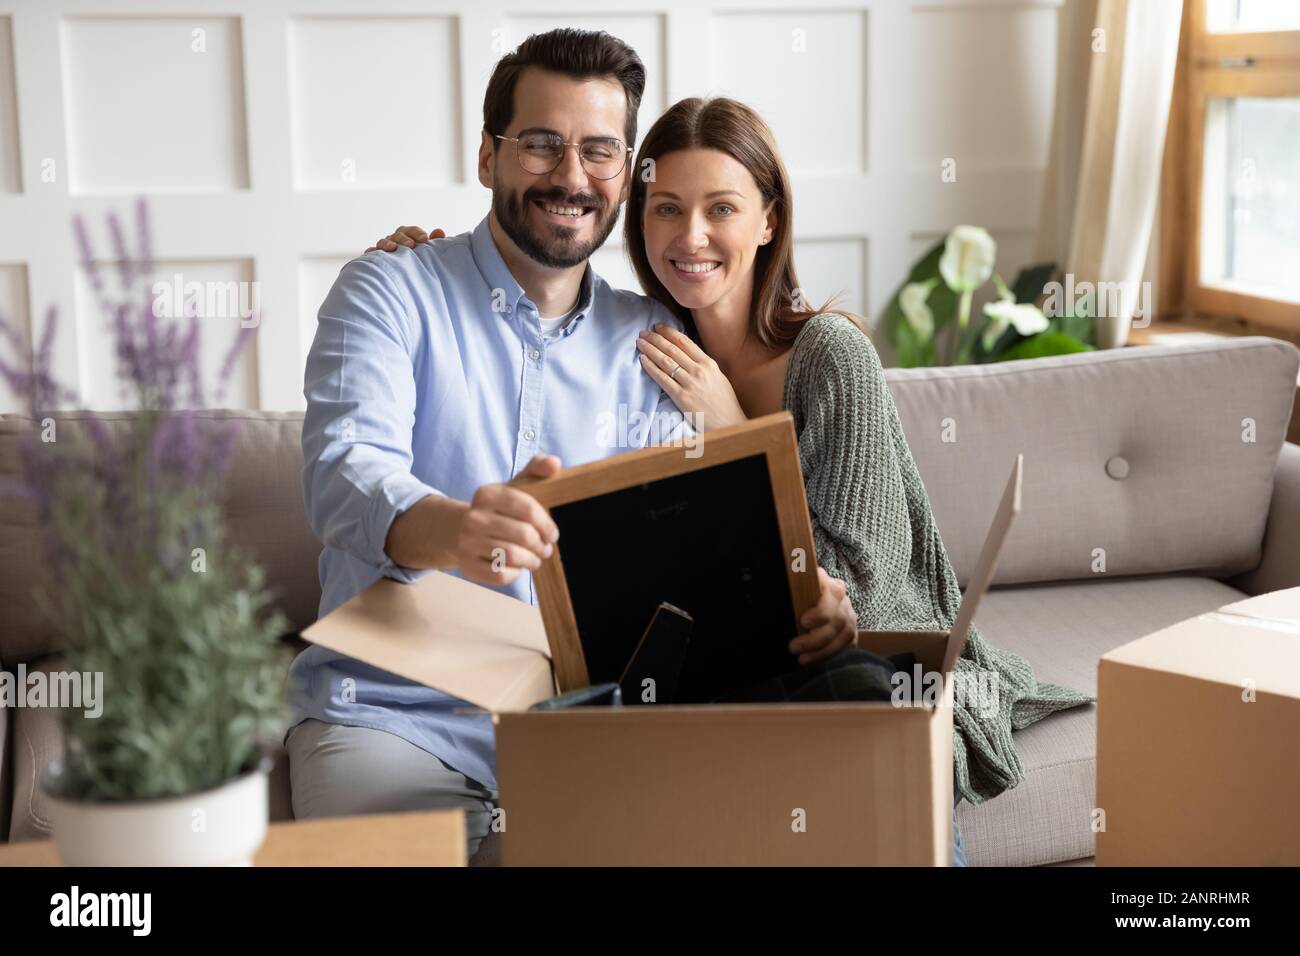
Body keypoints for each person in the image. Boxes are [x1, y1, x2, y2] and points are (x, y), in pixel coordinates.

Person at [370, 97, 1095, 867]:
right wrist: (423, 264)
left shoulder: (829, 357)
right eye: (667, 209)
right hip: (707, 662)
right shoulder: (640, 342)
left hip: (863, 658)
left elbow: (865, 586)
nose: (690, 238)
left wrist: (734, 430)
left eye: (722, 209)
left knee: (854, 729)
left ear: (769, 220)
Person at [289, 31, 859, 865]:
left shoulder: (657, 341)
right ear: (488, 156)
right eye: (541, 145)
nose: (570, 176)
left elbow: (696, 557)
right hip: (391, 719)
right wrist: (456, 528)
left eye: (599, 150)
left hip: (586, 729)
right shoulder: (388, 291)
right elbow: (343, 473)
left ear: (628, 173)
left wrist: (809, 596)